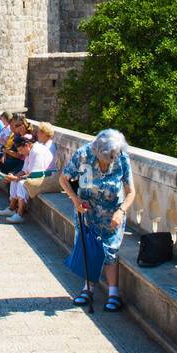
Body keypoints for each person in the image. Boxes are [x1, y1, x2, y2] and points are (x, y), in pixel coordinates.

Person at [59, 129, 135, 313]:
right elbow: (63, 179)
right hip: (87, 212)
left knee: (111, 251)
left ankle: (113, 293)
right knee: (88, 248)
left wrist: (121, 211)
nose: (108, 162)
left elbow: (131, 191)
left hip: (112, 214)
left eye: (111, 158)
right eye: (105, 158)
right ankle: (88, 289)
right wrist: (75, 200)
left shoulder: (122, 157)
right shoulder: (83, 154)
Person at [3, 123, 55, 223]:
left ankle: (20, 214)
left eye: (21, 150)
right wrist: (13, 177)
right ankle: (11, 208)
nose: (20, 153)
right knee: (15, 181)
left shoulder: (37, 152)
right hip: (38, 177)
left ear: (27, 145)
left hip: (47, 179)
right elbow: (24, 170)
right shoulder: (29, 151)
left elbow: (35, 175)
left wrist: (17, 178)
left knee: (22, 183)